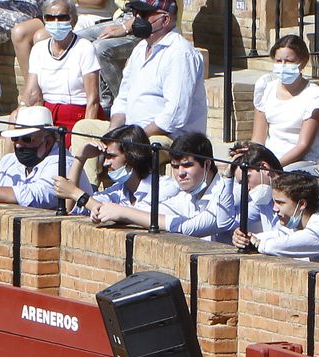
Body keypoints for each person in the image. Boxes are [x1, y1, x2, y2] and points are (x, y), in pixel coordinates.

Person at [97, 132, 235, 241]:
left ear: (207, 164)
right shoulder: (186, 196)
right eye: (175, 166)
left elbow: (188, 228)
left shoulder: (229, 191)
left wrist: (123, 212)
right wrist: (106, 211)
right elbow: (145, 212)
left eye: (187, 165)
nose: (180, 173)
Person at [235, 171, 319, 271]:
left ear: (302, 204)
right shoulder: (302, 223)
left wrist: (257, 243)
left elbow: (281, 245)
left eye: (280, 203)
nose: (275, 209)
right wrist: (245, 237)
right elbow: (281, 234)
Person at [107, 0, 204, 139]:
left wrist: (135, 138)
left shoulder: (180, 53)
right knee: (85, 128)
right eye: (135, 13)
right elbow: (123, 98)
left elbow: (175, 115)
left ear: (165, 20)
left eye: (144, 14)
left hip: (166, 138)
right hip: (132, 132)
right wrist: (112, 133)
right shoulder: (140, 49)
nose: (137, 18)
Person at [245, 34, 319, 171]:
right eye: (279, 61)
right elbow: (258, 139)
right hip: (268, 160)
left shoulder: (315, 96)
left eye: (289, 61)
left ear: (302, 62)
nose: (283, 65)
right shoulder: (266, 89)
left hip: (301, 161)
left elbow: (303, 146)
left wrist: (274, 167)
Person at [20, 0, 100, 134]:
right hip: (47, 115)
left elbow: (93, 99)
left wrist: (85, 134)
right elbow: (31, 92)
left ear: (73, 20)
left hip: (77, 116)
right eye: (50, 18)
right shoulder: (38, 49)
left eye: (62, 18)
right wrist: (22, 108)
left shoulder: (85, 48)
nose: (56, 22)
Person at [56, 123, 150, 219]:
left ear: (132, 156)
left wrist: (75, 192)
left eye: (111, 156)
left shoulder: (158, 187)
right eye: (105, 157)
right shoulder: (118, 190)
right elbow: (69, 207)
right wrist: (81, 158)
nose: (105, 163)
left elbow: (149, 218)